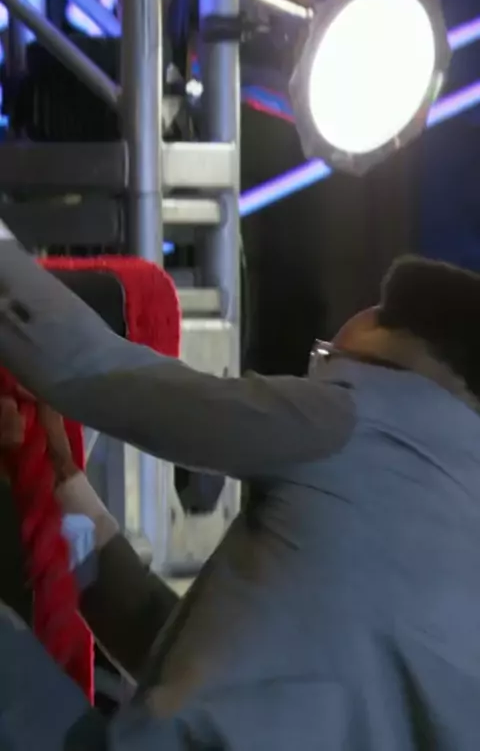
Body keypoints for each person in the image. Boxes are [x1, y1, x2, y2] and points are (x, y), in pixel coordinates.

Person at [0, 228, 479, 749]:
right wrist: (68, 494)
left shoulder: (363, 418)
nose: (317, 382)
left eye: (326, 359)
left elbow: (99, 372)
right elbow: (201, 668)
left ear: (388, 349)